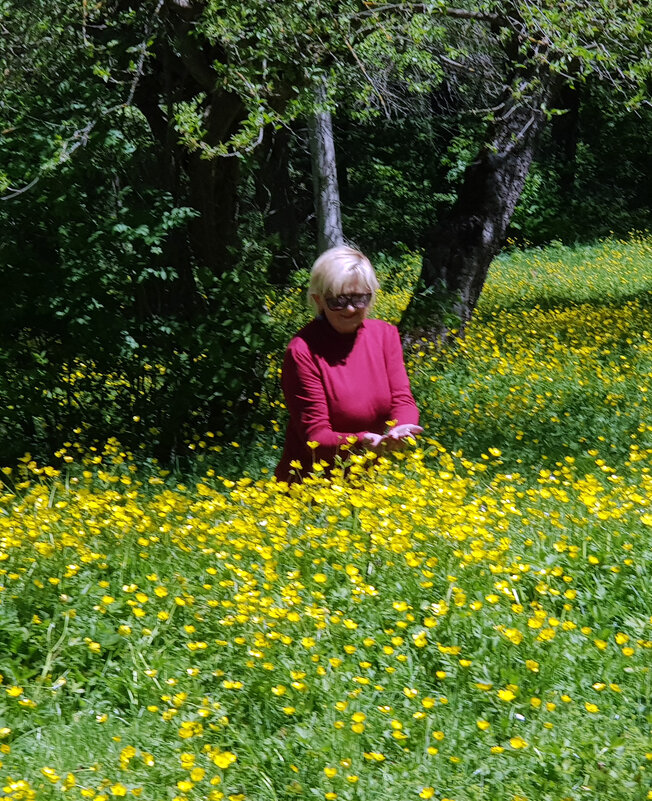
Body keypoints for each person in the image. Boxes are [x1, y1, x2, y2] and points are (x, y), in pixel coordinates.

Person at [275, 245, 422, 483]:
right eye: (338, 301)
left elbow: (402, 398)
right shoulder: (302, 351)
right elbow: (316, 437)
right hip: (312, 487)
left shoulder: (385, 335)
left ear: (371, 295)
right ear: (319, 300)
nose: (350, 308)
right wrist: (361, 440)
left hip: (370, 481)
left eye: (359, 298)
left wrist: (402, 428)